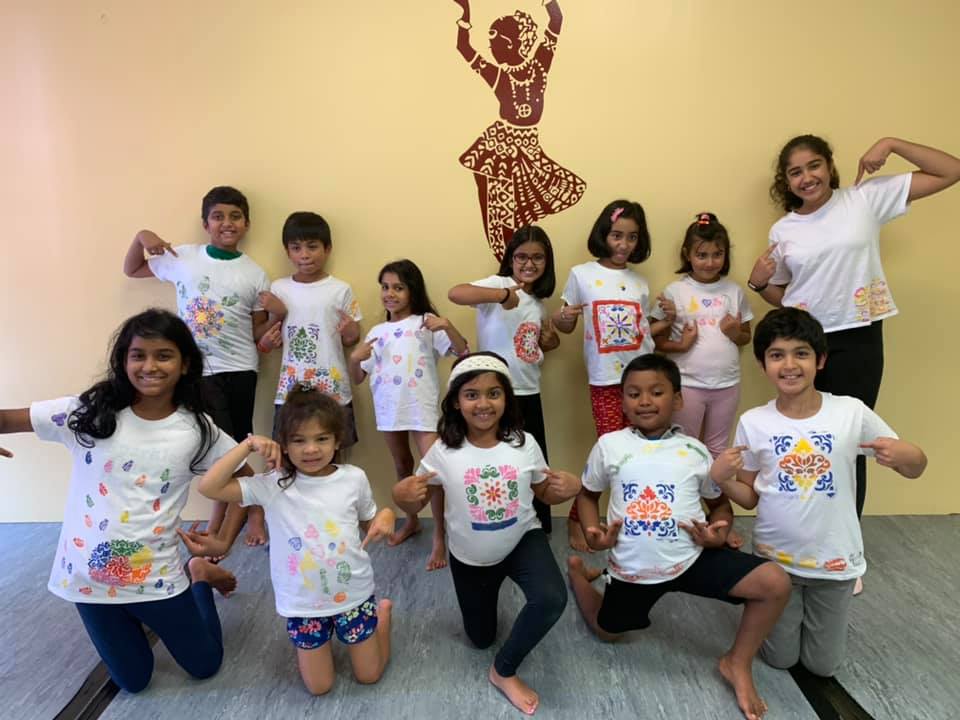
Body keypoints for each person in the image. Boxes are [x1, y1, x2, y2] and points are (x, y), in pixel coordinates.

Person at [748, 137, 959, 592]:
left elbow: (950, 171)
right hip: (807, 341)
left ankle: (842, 552)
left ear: (829, 167)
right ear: (785, 181)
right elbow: (783, 300)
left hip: (861, 335)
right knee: (804, 439)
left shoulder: (864, 199)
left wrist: (892, 143)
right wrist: (758, 284)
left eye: (814, 166)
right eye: (795, 172)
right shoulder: (783, 230)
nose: (807, 177)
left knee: (851, 443)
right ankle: (798, 544)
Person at [0, 309, 245, 692]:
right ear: (123, 361)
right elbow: (6, 419)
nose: (150, 366)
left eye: (163, 355)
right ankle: (128, 619)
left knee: (204, 665)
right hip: (87, 579)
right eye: (138, 355)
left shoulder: (196, 429)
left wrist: (225, 539)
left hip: (157, 577)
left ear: (185, 364)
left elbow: (251, 485)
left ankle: (198, 575)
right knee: (133, 681)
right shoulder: (84, 413)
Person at [567, 353, 791, 720]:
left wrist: (718, 534)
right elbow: (588, 495)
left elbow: (719, 506)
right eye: (633, 393)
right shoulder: (610, 445)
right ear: (622, 400)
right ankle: (580, 576)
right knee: (608, 633)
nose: (644, 401)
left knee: (775, 583)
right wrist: (593, 537)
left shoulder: (695, 451)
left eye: (656, 392)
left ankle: (737, 662)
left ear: (678, 399)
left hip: (692, 557)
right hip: (633, 569)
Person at [712, 308, 926, 678]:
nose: (789, 365)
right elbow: (749, 497)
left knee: (823, 666)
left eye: (801, 353)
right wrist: (723, 479)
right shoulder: (754, 422)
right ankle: (774, 613)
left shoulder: (850, 412)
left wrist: (910, 455)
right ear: (763, 364)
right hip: (775, 561)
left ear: (821, 360)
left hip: (835, 562)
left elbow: (914, 467)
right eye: (777, 355)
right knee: (779, 659)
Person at [394, 352, 580, 715]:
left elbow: (542, 491)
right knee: (480, 639)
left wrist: (567, 487)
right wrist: (400, 497)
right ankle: (488, 630)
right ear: (456, 402)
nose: (483, 403)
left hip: (523, 539)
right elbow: (415, 499)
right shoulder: (443, 450)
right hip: (471, 557)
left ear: (507, 398)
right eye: (472, 394)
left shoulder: (523, 442)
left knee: (551, 598)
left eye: (494, 393)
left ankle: (503, 671)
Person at [197, 386, 395, 694]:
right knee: (319, 687)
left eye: (321, 439)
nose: (311, 449)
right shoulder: (272, 485)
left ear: (337, 440)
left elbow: (372, 519)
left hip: (353, 594)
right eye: (299, 440)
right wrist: (248, 445)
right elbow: (210, 487)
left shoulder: (353, 477)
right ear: (284, 445)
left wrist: (386, 516)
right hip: (303, 604)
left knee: (369, 675)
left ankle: (382, 615)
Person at [123, 185, 273, 545]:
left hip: (240, 367)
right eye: (218, 216)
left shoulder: (255, 273)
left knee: (239, 440)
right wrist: (141, 235)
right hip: (197, 370)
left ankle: (239, 515)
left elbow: (256, 327)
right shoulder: (184, 257)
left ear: (246, 223)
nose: (227, 223)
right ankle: (239, 513)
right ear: (206, 223)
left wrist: (269, 334)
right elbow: (133, 269)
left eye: (235, 216)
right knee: (214, 444)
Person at [553, 199, 674, 551]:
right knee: (610, 451)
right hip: (605, 379)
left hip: (642, 379)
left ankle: (636, 517)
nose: (624, 244)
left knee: (643, 450)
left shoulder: (639, 282)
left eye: (632, 238)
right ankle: (578, 519)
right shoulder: (581, 275)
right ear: (603, 235)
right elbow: (566, 321)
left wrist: (670, 316)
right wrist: (560, 320)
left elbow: (643, 330)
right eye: (617, 236)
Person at [348, 259, 468, 570]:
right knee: (402, 464)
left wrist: (448, 326)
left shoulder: (426, 322)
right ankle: (412, 520)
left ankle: (440, 536)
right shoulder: (377, 331)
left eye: (398, 287)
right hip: (389, 408)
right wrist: (354, 358)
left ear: (412, 291)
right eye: (385, 287)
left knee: (433, 472)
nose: (390, 293)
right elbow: (359, 377)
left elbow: (462, 352)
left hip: (421, 406)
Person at [451, 0, 585, 259]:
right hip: (500, 145)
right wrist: (465, 14)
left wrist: (548, 2)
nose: (490, 49)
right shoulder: (500, 75)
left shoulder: (539, 65)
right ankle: (502, 255)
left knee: (523, 202)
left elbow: (555, 21)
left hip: (527, 145)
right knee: (497, 206)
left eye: (495, 44)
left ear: (510, 44)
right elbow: (463, 47)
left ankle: (515, 256)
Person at [651, 212, 753, 548]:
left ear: (725, 255)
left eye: (717, 254)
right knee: (687, 450)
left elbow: (746, 338)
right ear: (687, 254)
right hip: (689, 385)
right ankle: (685, 517)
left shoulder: (734, 292)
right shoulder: (675, 291)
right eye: (701, 254)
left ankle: (718, 522)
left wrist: (735, 331)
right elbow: (654, 342)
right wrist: (681, 343)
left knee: (718, 452)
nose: (710, 262)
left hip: (726, 384)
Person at [448, 225, 560, 531]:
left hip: (528, 390)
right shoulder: (497, 285)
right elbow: (455, 292)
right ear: (510, 259)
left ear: (547, 262)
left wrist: (549, 340)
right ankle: (498, 518)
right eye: (521, 256)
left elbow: (532, 345)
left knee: (532, 462)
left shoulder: (538, 303)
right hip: (494, 393)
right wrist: (501, 295)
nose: (529, 263)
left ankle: (537, 524)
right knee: (497, 461)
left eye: (538, 257)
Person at [256, 212, 363, 451]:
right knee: (286, 451)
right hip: (290, 388)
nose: (304, 255)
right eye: (296, 248)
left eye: (312, 247)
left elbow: (351, 339)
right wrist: (267, 338)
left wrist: (350, 330)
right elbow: (267, 339)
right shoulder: (279, 288)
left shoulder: (340, 289)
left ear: (327, 249)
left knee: (332, 451)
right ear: (288, 252)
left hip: (332, 388)